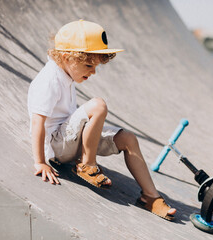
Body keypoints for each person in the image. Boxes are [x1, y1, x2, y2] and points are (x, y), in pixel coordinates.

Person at [27, 20, 176, 220]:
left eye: (95, 66)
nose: (93, 72)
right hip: (57, 146)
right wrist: (40, 162)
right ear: (66, 57)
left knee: (128, 139)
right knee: (98, 105)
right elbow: (37, 122)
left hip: (71, 141)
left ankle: (150, 197)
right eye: (88, 65)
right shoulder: (49, 80)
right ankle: (87, 166)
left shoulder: (65, 74)